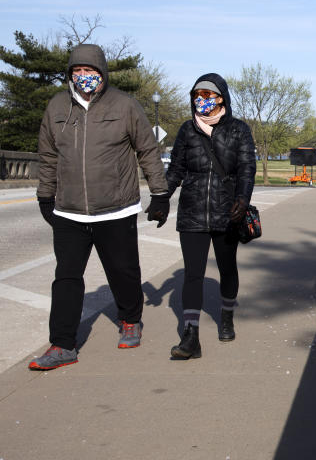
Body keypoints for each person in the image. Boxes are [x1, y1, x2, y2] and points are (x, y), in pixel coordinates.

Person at [31, 44, 169, 370]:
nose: (83, 77)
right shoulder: (57, 107)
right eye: (77, 72)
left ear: (102, 73)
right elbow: (48, 156)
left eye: (89, 72)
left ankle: (131, 320)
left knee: (122, 271)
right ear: (70, 75)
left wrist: (159, 194)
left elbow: (147, 150)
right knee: (66, 277)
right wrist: (44, 196)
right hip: (69, 210)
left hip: (116, 208)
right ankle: (63, 344)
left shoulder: (125, 105)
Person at [164, 73, 256, 359]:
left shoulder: (238, 130)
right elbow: (176, 169)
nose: (201, 100)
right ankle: (191, 335)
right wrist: (160, 197)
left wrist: (242, 199)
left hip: (227, 211)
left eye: (207, 95)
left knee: (227, 268)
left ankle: (226, 316)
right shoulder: (187, 129)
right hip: (192, 211)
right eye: (197, 95)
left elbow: (246, 169)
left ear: (221, 98)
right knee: (193, 274)